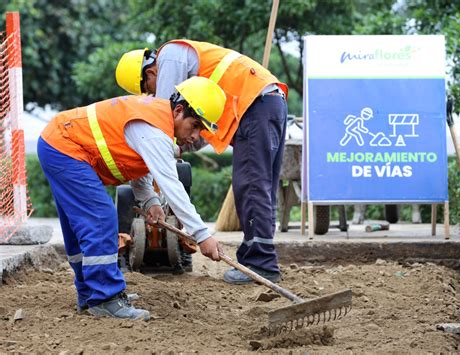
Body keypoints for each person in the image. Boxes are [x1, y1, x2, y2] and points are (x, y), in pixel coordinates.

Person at [38, 76, 226, 320]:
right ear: (178, 110)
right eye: (195, 126)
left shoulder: (156, 123)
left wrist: (151, 202)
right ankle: (105, 297)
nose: (194, 137)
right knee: (101, 218)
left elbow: (137, 166)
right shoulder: (154, 130)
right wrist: (202, 235)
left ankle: (91, 293)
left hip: (59, 144)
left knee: (81, 226)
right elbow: (171, 185)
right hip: (64, 147)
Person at [116, 40, 288, 284]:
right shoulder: (193, 76)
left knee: (251, 186)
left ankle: (261, 263)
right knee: (259, 187)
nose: (153, 96)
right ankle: (257, 257)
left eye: (149, 90)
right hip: (267, 103)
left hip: (255, 106)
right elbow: (195, 132)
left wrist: (159, 151)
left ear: (150, 72)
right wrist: (176, 147)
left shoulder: (171, 56)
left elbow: (163, 117)